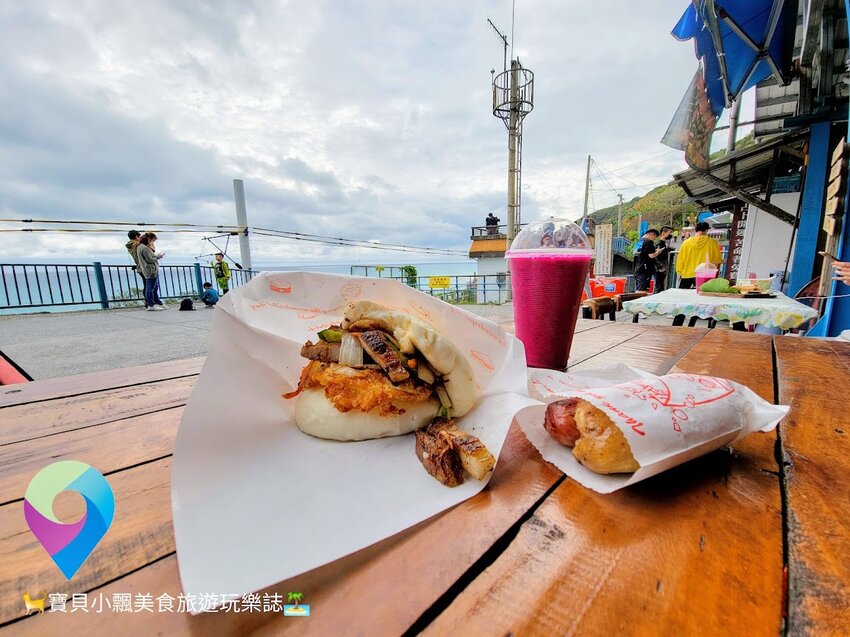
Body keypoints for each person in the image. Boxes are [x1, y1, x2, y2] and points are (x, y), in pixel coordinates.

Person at [672, 221, 722, 326]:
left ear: (696, 230)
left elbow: (680, 259)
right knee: (702, 301)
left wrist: (679, 272)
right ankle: (695, 323)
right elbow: (717, 261)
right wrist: (715, 273)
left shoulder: (686, 243)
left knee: (682, 301)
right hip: (705, 276)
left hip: (687, 275)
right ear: (706, 230)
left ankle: (677, 322)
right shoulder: (712, 242)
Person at [137, 233, 166, 311]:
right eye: (153, 240)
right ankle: (151, 304)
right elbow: (149, 259)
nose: (153, 242)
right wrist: (158, 257)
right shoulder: (145, 248)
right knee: (150, 288)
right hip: (150, 270)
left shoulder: (140, 247)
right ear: (149, 239)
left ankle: (156, 302)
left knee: (153, 287)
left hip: (147, 269)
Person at [125, 230, 147, 304]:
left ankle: (148, 301)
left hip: (139, 266)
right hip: (144, 266)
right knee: (148, 285)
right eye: (139, 237)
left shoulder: (129, 245)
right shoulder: (137, 244)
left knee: (146, 284)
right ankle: (149, 302)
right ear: (136, 236)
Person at [653, 226, 674, 292]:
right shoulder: (660, 244)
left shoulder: (663, 243)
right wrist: (660, 267)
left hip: (662, 268)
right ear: (663, 233)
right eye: (670, 232)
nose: (671, 234)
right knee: (659, 286)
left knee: (660, 286)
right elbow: (655, 257)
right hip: (660, 269)